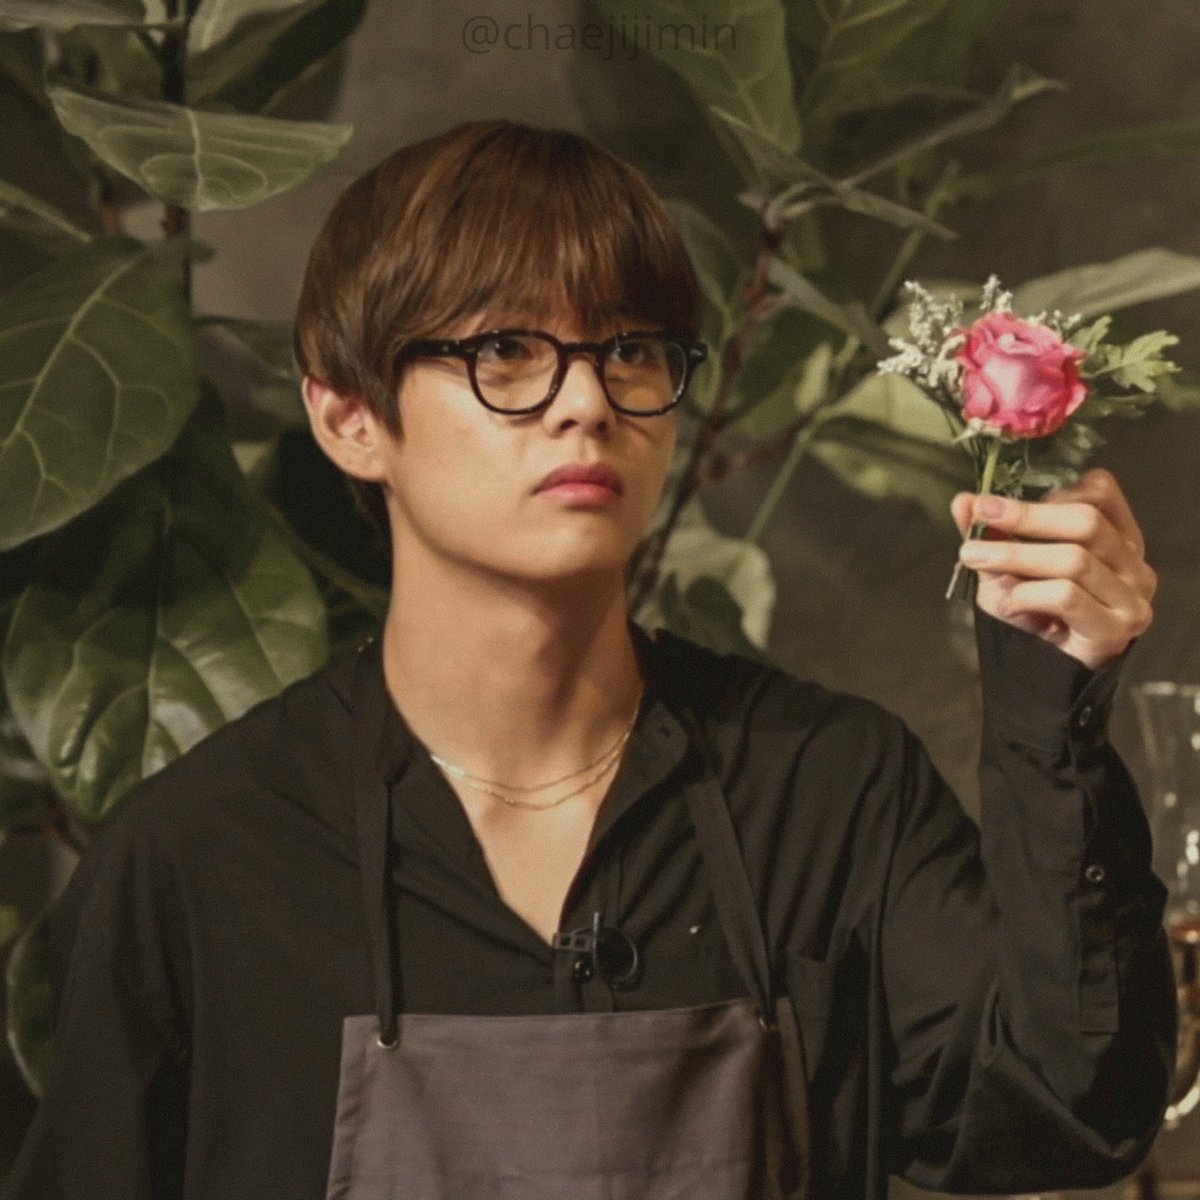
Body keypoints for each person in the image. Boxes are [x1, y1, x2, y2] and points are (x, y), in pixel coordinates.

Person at [4, 119, 1175, 1200]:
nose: (586, 402)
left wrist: (1051, 702)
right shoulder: (203, 859)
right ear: (349, 416)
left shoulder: (828, 792)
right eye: (508, 350)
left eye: (631, 349)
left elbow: (1065, 1109)